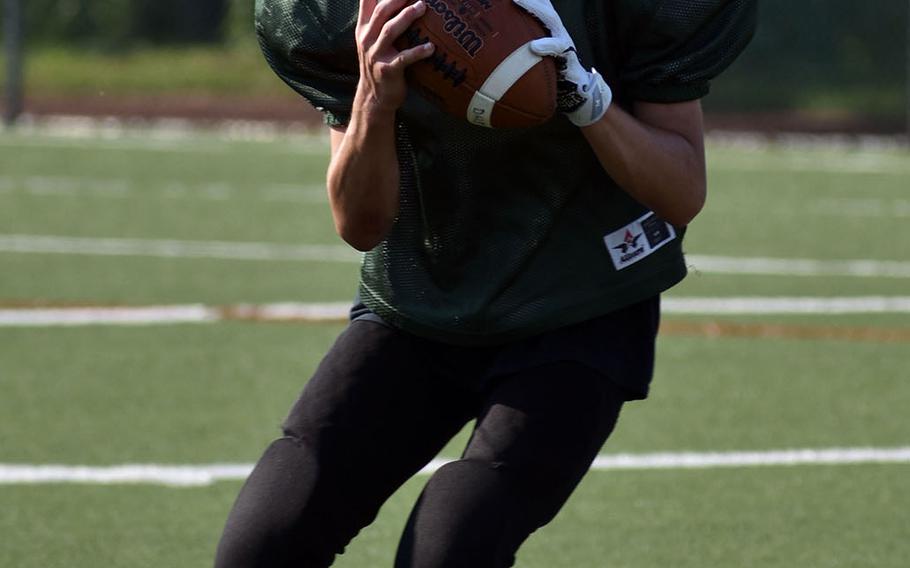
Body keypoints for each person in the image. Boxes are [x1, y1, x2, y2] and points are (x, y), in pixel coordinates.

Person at [215, 0, 756, 566]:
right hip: (418, 295)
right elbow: (360, 224)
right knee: (265, 542)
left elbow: (681, 191)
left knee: (451, 545)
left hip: (578, 298)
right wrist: (374, 100)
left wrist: (586, 99)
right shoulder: (337, 12)